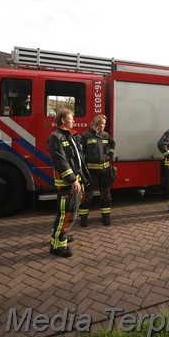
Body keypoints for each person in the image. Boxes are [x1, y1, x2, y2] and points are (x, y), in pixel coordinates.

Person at [47, 109, 88, 257]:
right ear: (63, 120)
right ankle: (58, 246)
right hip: (67, 184)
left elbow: (78, 159)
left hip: (74, 181)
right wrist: (72, 179)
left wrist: (80, 179)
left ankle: (60, 235)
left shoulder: (69, 136)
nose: (73, 121)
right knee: (67, 214)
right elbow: (61, 161)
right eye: (71, 119)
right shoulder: (56, 137)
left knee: (70, 212)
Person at [80, 114, 116, 227]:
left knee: (106, 194)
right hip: (90, 171)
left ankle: (106, 216)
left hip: (105, 171)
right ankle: (83, 218)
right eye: (103, 123)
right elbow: (80, 152)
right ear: (97, 123)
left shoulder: (106, 135)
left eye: (105, 124)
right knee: (87, 195)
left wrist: (109, 155)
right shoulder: (85, 135)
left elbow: (112, 144)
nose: (104, 126)